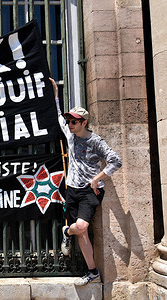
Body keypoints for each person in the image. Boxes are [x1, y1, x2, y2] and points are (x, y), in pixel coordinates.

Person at [50, 78, 122, 286]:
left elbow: (116, 160)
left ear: (84, 122)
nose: (69, 124)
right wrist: (56, 96)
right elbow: (58, 118)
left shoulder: (96, 141)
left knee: (80, 226)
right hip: (72, 189)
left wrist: (97, 178)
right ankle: (92, 272)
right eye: (69, 121)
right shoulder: (70, 136)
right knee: (82, 234)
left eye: (74, 121)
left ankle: (66, 231)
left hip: (91, 192)